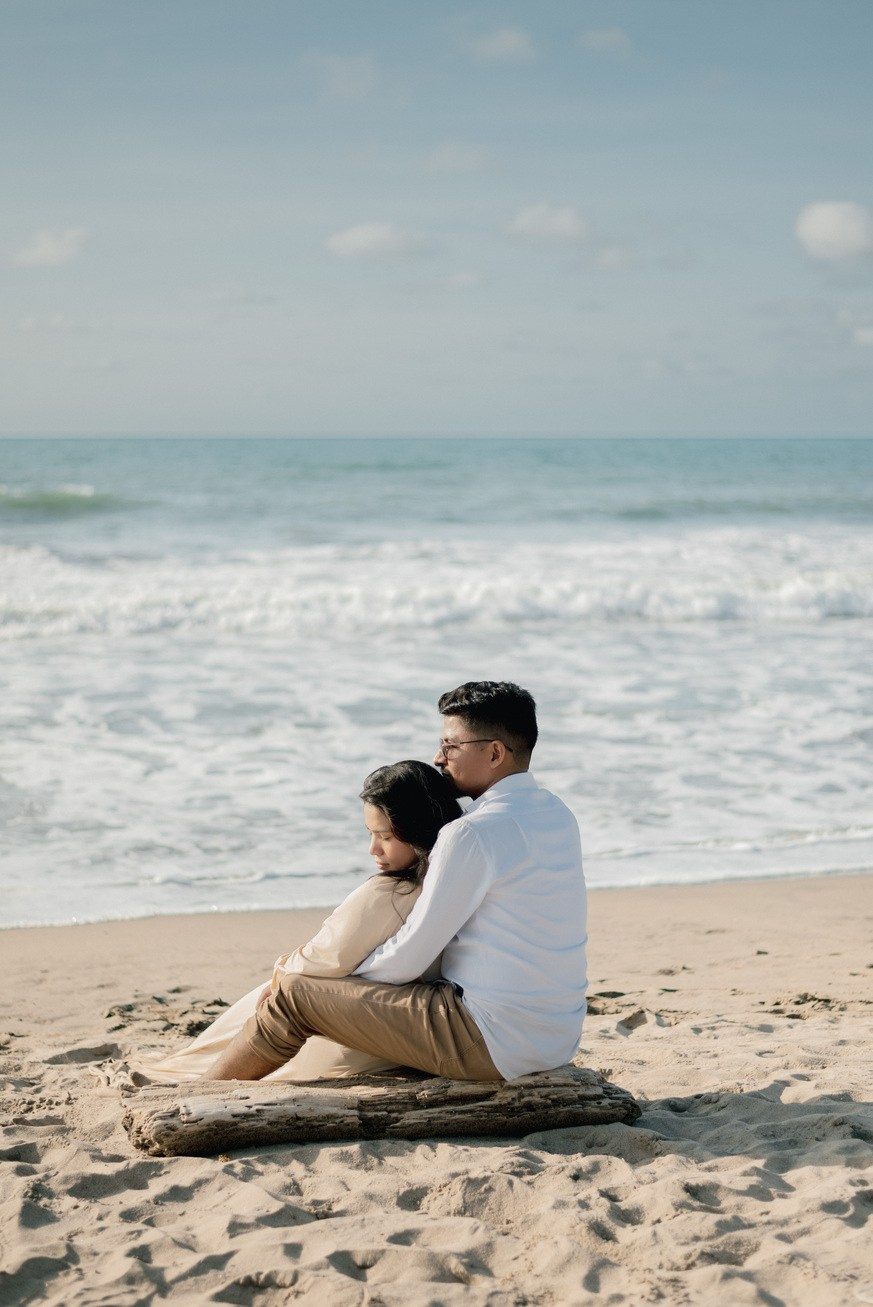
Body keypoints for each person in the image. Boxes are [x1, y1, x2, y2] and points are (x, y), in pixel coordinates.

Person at [204, 681, 588, 1084]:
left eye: (450, 745)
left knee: (294, 998)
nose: (438, 757)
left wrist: (330, 986)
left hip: (490, 1041)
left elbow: (408, 957)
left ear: (494, 752)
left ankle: (202, 1094)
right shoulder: (557, 813)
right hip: (556, 1037)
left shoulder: (473, 833)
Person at [129, 761, 462, 1084]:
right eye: (370, 834)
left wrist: (280, 976)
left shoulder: (388, 893)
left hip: (359, 1040)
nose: (372, 848)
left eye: (386, 837)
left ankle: (204, 1076)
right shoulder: (453, 883)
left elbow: (326, 958)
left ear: (418, 830)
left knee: (275, 988)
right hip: (408, 1028)